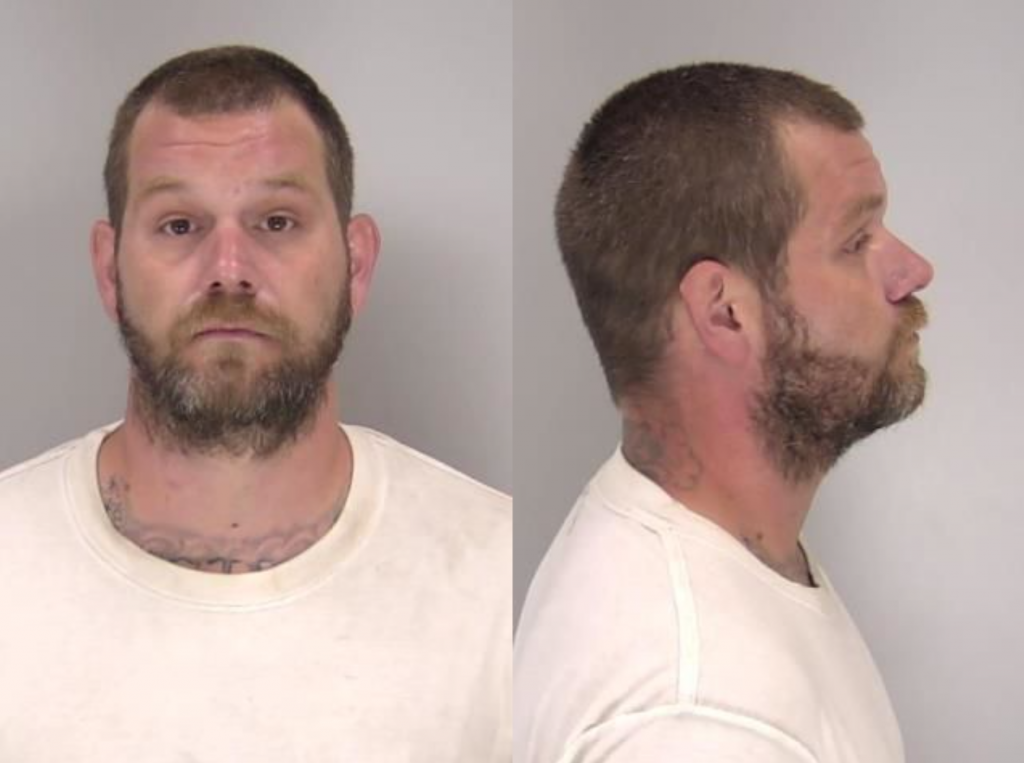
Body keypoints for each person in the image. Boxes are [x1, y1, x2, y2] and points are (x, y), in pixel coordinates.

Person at [0, 46, 510, 761]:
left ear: (356, 264)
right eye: (180, 225)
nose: (229, 271)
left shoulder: (500, 581)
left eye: (276, 221)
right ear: (109, 271)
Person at [515, 63, 932, 763]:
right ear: (725, 312)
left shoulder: (715, 557)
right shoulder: (701, 716)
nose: (913, 270)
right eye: (857, 241)